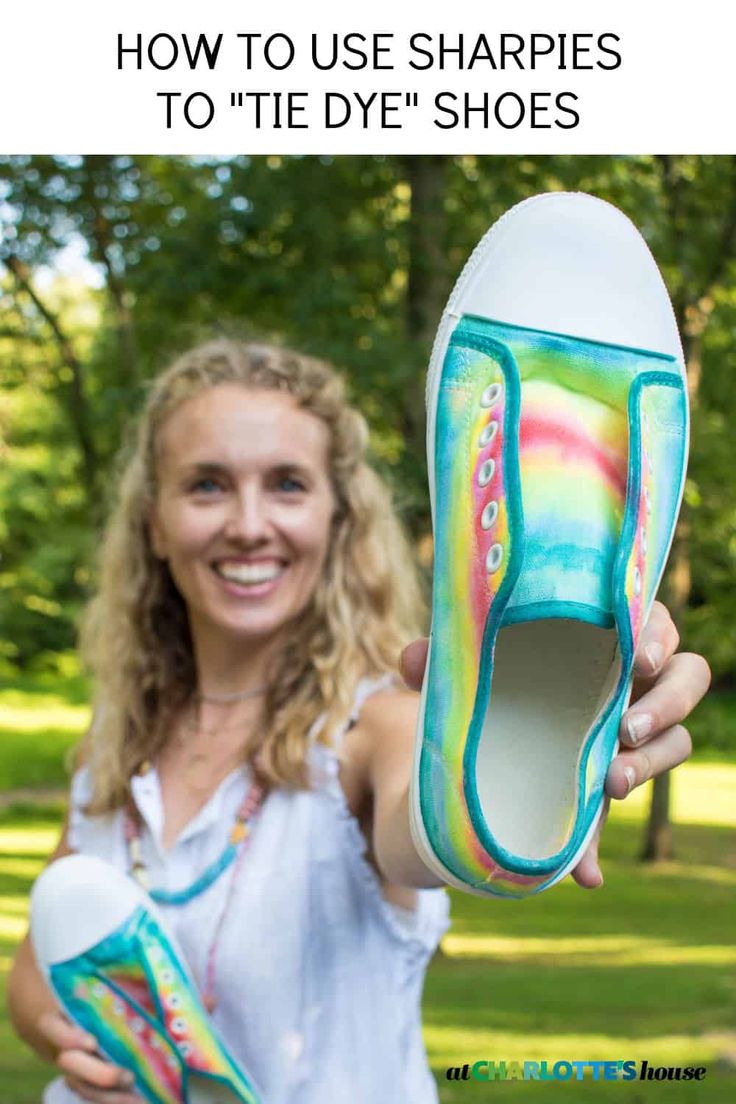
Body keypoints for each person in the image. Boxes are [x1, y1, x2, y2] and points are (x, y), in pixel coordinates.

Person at [7, 340, 711, 1103]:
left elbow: (433, 829)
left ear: (339, 517)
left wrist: (537, 726)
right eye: (207, 485)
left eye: (287, 485)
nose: (248, 524)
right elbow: (34, 976)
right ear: (154, 523)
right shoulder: (119, 743)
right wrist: (92, 1046)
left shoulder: (374, 728)